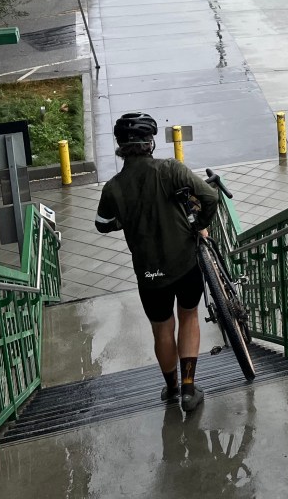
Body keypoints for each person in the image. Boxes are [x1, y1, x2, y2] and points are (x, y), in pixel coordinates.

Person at [96, 112, 219, 411]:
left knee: (162, 329)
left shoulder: (113, 187)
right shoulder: (171, 170)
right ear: (149, 143)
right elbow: (210, 197)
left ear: (120, 146)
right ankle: (190, 389)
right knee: (189, 316)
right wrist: (196, 224)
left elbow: (102, 223)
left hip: (149, 274)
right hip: (185, 263)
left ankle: (172, 387)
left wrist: (122, 220)